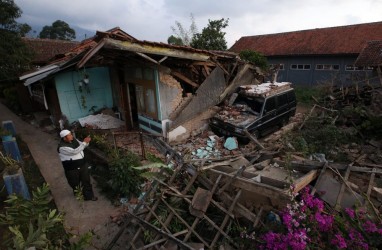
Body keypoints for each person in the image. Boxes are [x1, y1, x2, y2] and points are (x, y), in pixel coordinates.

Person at [58, 129, 97, 201]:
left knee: (86, 181)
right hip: (72, 168)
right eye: (69, 135)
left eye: (71, 134)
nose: (71, 136)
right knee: (75, 183)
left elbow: (82, 145)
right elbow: (75, 151)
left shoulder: (74, 140)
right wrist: (84, 143)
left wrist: (86, 142)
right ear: (64, 138)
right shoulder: (62, 147)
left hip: (82, 165)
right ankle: (79, 195)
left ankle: (89, 196)